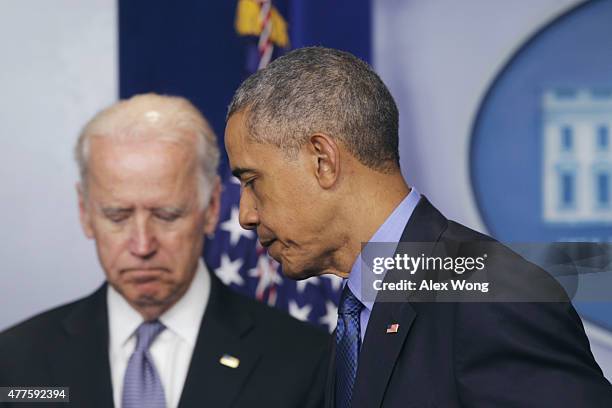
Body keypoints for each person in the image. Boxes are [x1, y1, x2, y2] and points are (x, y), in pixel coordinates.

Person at [224, 46, 612, 407]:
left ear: (323, 160)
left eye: (252, 180)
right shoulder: (357, 316)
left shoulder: (492, 296)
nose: (245, 215)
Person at [0, 94, 328, 408]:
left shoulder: (305, 363)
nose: (142, 246)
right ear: (85, 211)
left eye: (166, 215)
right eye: (117, 216)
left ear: (212, 207)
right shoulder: (16, 360)